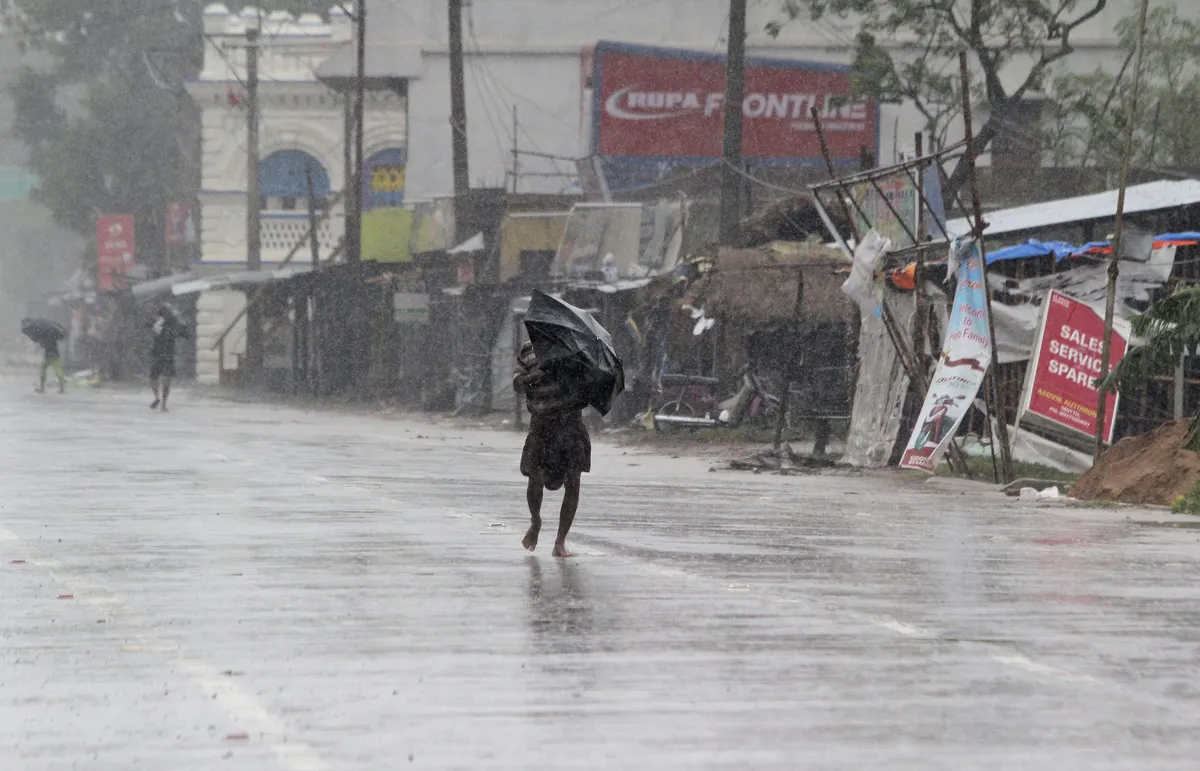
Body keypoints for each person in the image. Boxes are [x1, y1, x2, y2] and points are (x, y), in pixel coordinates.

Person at [513, 340, 590, 558]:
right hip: (541, 424)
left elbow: (588, 386)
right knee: (535, 479)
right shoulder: (529, 349)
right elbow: (517, 384)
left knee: (573, 483)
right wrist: (536, 375)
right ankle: (535, 521)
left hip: (571, 424)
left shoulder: (576, 350)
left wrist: (567, 371)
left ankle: (560, 542)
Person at [149, 306, 188, 412]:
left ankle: (157, 397)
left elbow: (148, 326)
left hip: (157, 354)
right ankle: (164, 403)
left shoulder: (156, 324)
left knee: (154, 377)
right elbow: (184, 334)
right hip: (168, 355)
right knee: (166, 380)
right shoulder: (173, 325)